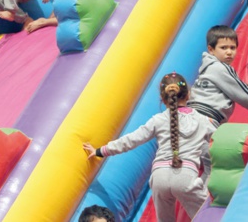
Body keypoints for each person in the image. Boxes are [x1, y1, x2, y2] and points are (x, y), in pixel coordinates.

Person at [83, 73, 214, 222]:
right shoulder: (201, 120)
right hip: (185, 174)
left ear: (162, 99)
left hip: (159, 177)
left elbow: (132, 139)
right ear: (189, 95)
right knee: (207, 216)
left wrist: (101, 151)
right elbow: (219, 138)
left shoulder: (158, 120)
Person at [188, 25, 248, 127]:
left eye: (233, 48)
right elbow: (242, 93)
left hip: (191, 116)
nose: (229, 52)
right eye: (223, 48)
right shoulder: (220, 68)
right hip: (206, 118)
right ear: (211, 49)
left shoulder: (206, 69)